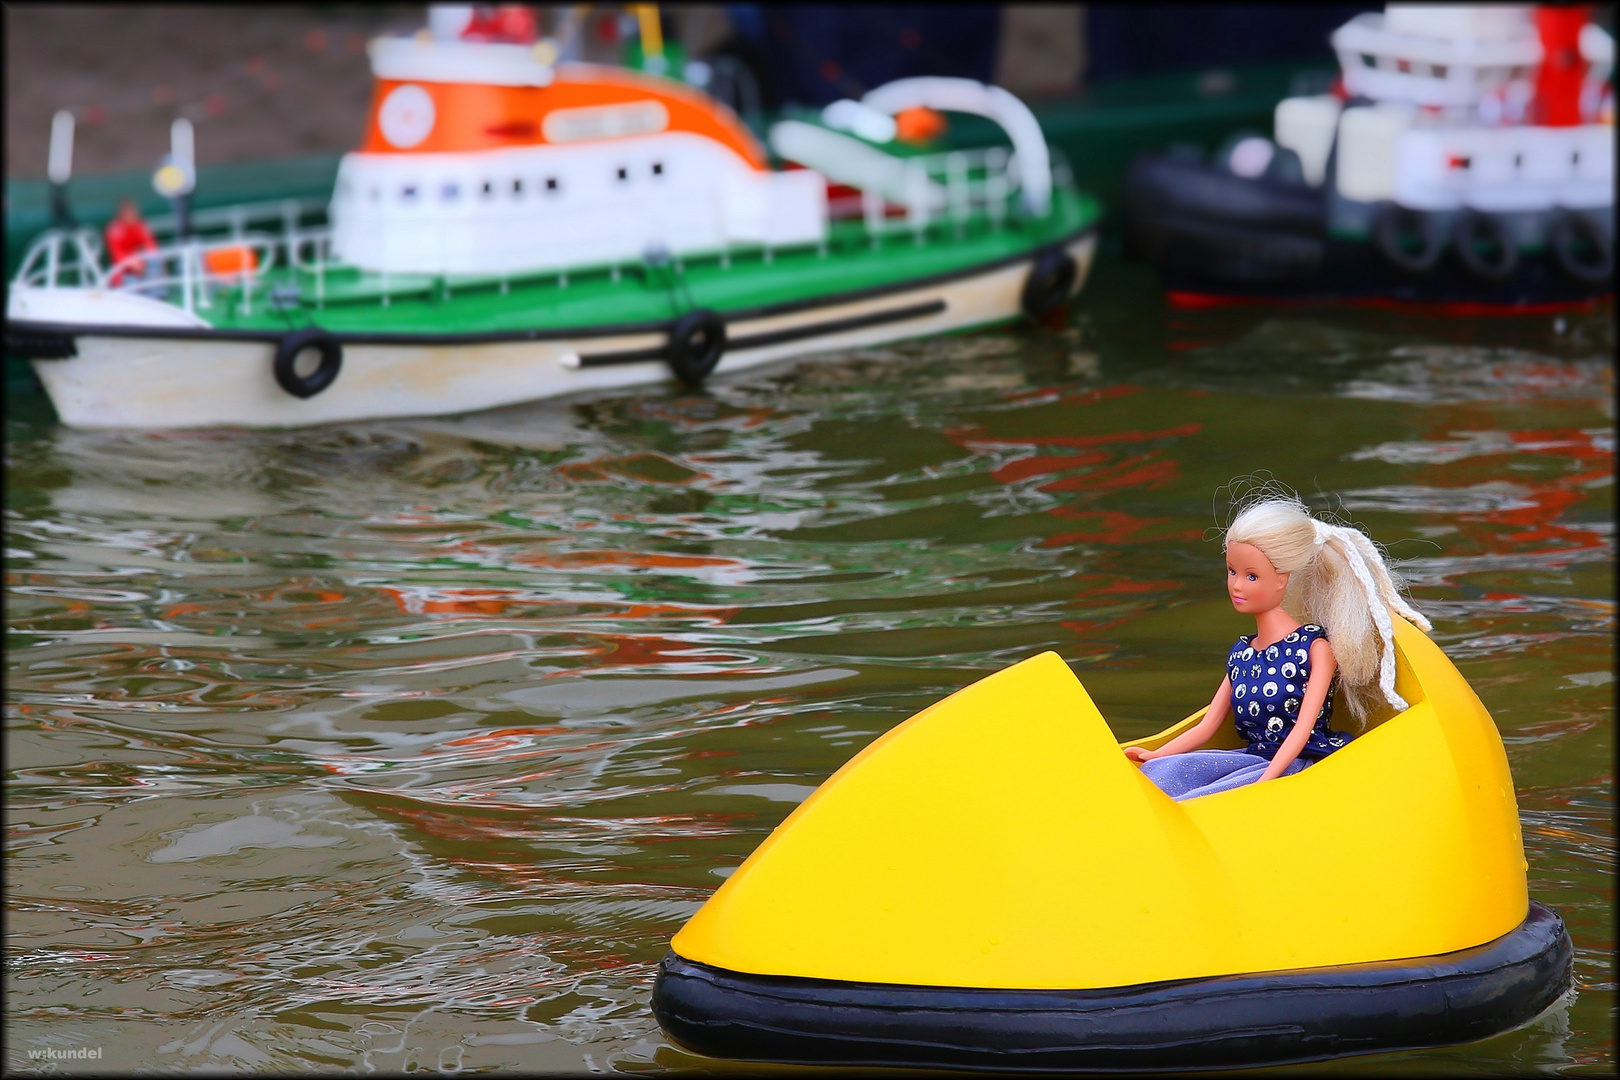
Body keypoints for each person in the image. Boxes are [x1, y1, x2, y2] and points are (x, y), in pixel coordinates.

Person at [1124, 489, 1431, 800]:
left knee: (1210, 798)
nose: (1237, 585)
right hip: (1253, 761)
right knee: (1164, 776)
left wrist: (1268, 780)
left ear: (1282, 579)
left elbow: (1302, 731)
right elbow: (1207, 727)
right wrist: (1154, 755)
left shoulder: (1314, 648)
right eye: (1232, 572)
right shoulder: (1242, 654)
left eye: (1252, 576)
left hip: (1299, 765)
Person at [104, 199, 159, 288]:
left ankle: (158, 295)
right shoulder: (115, 229)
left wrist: (149, 258)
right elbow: (117, 253)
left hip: (142, 266)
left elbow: (150, 244)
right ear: (121, 214)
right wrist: (133, 263)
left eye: (133, 211)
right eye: (128, 212)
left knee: (155, 264)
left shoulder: (141, 225)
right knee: (132, 282)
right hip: (122, 272)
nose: (132, 214)